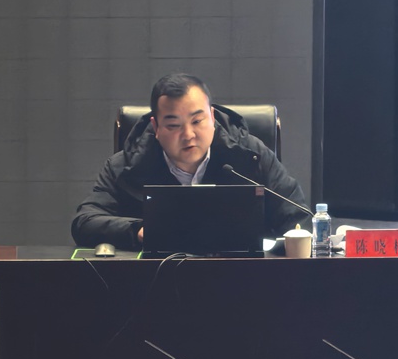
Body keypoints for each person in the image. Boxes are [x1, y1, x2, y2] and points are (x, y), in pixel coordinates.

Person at [72, 73, 311, 250]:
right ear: (156, 127)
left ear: (212, 117)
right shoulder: (126, 165)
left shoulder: (250, 155)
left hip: (242, 280)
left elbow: (299, 220)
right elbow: (85, 222)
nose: (188, 135)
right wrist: (139, 231)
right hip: (155, 284)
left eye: (197, 121)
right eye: (174, 125)